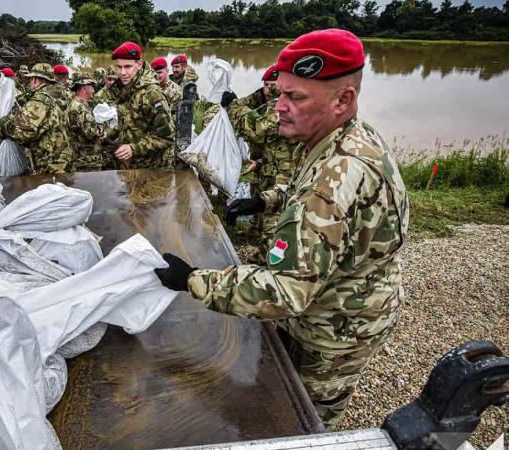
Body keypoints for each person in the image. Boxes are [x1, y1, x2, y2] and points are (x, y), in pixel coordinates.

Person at [155, 29, 409, 429]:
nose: (279, 107)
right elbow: (305, 191)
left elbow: (287, 292)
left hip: (335, 327)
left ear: (344, 100)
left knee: (302, 420)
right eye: (280, 94)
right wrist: (266, 200)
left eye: (295, 98)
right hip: (346, 299)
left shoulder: (329, 186)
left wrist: (194, 280)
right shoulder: (349, 138)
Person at [224, 64, 300, 260]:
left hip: (284, 173)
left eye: (273, 85)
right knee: (257, 200)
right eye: (265, 85)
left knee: (273, 217)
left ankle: (267, 259)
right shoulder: (270, 101)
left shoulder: (283, 107)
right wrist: (258, 95)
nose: (268, 90)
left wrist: (233, 106)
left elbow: (255, 130)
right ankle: (254, 235)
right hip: (268, 166)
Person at [110, 42, 175, 169]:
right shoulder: (125, 88)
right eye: (119, 67)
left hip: (150, 169)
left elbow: (167, 137)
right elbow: (129, 122)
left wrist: (133, 149)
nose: (122, 72)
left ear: (139, 65)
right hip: (130, 166)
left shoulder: (151, 93)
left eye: (128, 67)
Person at [1, 63, 73, 175]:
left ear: (35, 79)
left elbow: (22, 133)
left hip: (50, 166)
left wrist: (4, 122)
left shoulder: (39, 101)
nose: (29, 83)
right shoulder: (57, 96)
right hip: (61, 161)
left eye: (30, 80)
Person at [67, 72, 105, 171]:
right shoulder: (80, 107)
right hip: (87, 162)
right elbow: (90, 133)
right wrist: (102, 128)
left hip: (81, 159)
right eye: (91, 86)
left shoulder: (75, 104)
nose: (93, 90)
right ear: (84, 87)